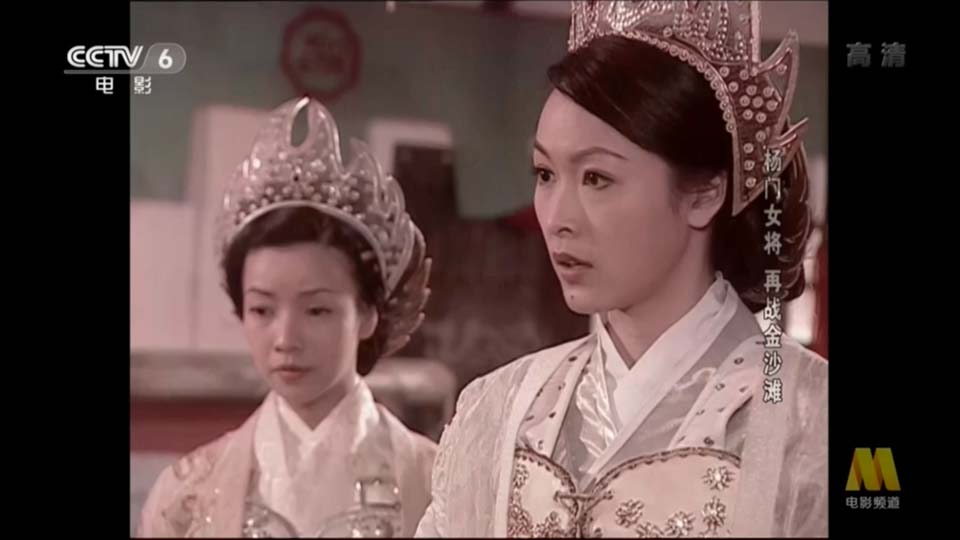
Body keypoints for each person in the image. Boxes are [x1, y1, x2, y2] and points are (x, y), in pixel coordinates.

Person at [416, 1, 827, 537]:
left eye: (596, 178)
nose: (556, 218)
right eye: (545, 174)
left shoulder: (812, 419)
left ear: (704, 194)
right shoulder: (494, 410)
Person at [138, 97, 436, 537]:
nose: (285, 338)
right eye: (262, 310)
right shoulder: (184, 497)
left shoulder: (435, 483)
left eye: (317, 310)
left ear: (368, 315)